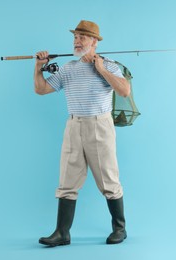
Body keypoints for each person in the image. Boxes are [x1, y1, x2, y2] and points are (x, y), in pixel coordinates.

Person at [34, 20, 130, 247]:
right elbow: (40, 89)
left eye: (82, 37)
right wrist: (38, 68)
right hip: (74, 126)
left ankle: (120, 228)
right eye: (75, 37)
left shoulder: (109, 64)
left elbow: (124, 90)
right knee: (67, 180)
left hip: (100, 125)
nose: (77, 41)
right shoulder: (68, 68)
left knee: (108, 178)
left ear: (94, 41)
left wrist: (101, 69)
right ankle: (62, 233)